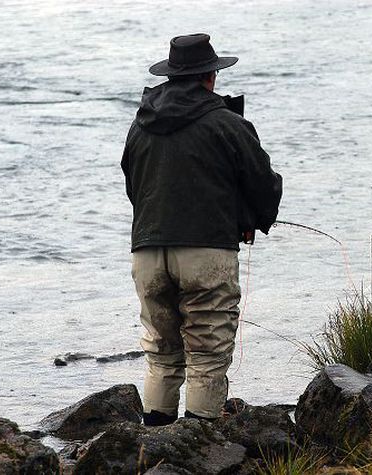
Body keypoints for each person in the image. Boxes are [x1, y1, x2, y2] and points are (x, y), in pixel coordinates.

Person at [121, 33, 283, 426]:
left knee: (161, 352)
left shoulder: (140, 125)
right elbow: (263, 183)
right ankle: (198, 448)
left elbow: (132, 183)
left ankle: (153, 448)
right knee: (207, 352)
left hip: (146, 251)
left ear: (172, 75)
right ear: (210, 76)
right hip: (205, 251)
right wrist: (253, 221)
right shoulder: (227, 123)